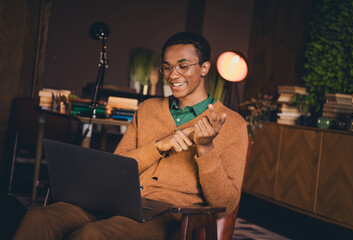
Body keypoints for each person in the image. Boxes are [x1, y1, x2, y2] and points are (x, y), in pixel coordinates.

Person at [14, 31, 248, 240]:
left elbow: (225, 204)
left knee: (93, 235)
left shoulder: (233, 124)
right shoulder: (148, 109)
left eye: (183, 65)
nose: (173, 74)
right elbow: (118, 166)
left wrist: (206, 149)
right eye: (167, 66)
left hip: (168, 217)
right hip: (116, 201)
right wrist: (158, 146)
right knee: (38, 218)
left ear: (204, 68)